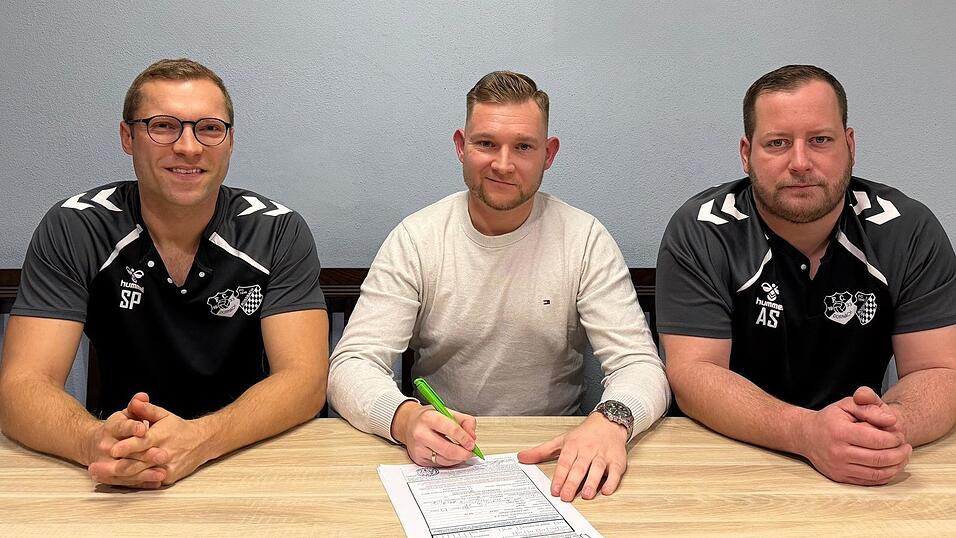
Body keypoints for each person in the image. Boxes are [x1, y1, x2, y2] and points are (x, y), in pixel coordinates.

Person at [328, 71, 669, 502]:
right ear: (461, 146)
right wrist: (404, 418)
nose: (503, 164)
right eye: (486, 143)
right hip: (440, 459)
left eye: (523, 147)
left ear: (548, 154)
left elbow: (639, 364)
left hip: (555, 457)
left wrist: (610, 421)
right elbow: (351, 363)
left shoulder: (584, 238)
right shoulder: (417, 237)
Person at [0, 58, 329, 488]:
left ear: (230, 142)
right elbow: (24, 384)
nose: (189, 147)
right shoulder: (77, 226)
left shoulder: (276, 229)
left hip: (243, 450)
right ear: (127, 137)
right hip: (120, 457)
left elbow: (304, 380)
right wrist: (93, 441)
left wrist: (200, 439)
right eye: (163, 126)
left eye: (209, 128)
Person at [657, 64, 956, 486]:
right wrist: (806, 433)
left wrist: (886, 428)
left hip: (861, 461)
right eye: (778, 143)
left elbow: (939, 371)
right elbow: (694, 374)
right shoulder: (702, 230)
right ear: (746, 154)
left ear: (849, 145)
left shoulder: (907, 228)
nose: (800, 162)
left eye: (820, 140)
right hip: (728, 455)